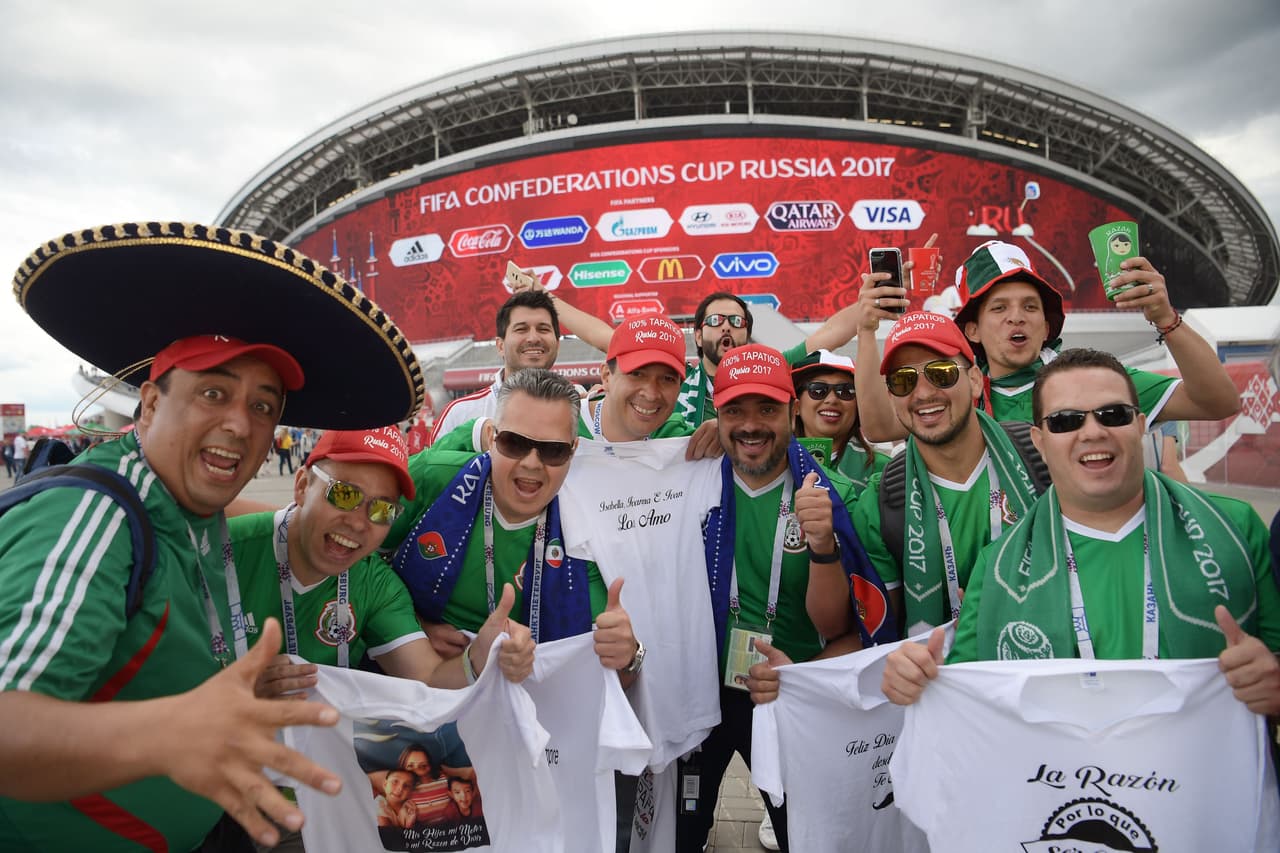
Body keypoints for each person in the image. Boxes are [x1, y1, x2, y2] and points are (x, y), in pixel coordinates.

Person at [0, 220, 425, 851]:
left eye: (262, 406)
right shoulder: (95, 516)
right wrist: (171, 732)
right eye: (212, 392)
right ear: (148, 404)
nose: (238, 423)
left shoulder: (189, 515)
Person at [882, 348, 1279, 712]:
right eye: (1065, 421)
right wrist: (920, 681)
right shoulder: (996, 567)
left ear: (1140, 425)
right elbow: (967, 700)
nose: (1092, 432)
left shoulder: (1235, 527)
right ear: (1039, 440)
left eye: (1113, 415)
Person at [231, 426, 532, 852]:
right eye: (345, 495)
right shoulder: (226, 550)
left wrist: (478, 657)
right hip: (204, 785)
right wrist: (238, 689)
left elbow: (427, 677)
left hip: (312, 804)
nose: (358, 522)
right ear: (301, 485)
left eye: (382, 511)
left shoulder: (374, 581)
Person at [677, 344, 897, 853]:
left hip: (786, 695)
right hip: (701, 694)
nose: (750, 425)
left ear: (793, 411)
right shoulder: (690, 478)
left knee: (804, 832)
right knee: (681, 832)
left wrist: (822, 548)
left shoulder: (835, 493)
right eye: (734, 410)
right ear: (715, 412)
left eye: (767, 410)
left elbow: (843, 626)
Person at [386, 368, 642, 680]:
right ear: (492, 438)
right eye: (515, 443)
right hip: (420, 682)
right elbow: (357, 558)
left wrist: (629, 655)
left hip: (527, 694)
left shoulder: (587, 524)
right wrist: (413, 627)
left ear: (573, 451)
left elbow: (614, 675)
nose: (532, 463)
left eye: (552, 450)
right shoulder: (433, 477)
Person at [855, 240, 1241, 441]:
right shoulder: (956, 391)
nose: (1017, 317)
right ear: (971, 330)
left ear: (1046, 324)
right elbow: (879, 428)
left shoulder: (1091, 379)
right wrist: (867, 330)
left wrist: (1166, 319)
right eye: (999, 308)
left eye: (1030, 306)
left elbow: (1218, 402)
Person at [827, 312, 1047, 638]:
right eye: (903, 380)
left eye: (941, 373)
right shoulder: (882, 500)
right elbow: (878, 636)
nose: (923, 394)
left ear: (974, 380)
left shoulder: (1040, 455)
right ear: (891, 397)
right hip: (937, 679)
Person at [675, 292, 869, 426]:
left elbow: (829, 334)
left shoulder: (770, 371)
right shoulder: (674, 380)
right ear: (698, 337)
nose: (726, 327)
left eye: (736, 321)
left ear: (747, 335)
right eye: (715, 320)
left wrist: (874, 300)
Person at [789, 349, 889, 496]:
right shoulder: (774, 464)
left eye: (846, 391)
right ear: (796, 406)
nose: (832, 400)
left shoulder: (885, 469)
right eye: (818, 390)